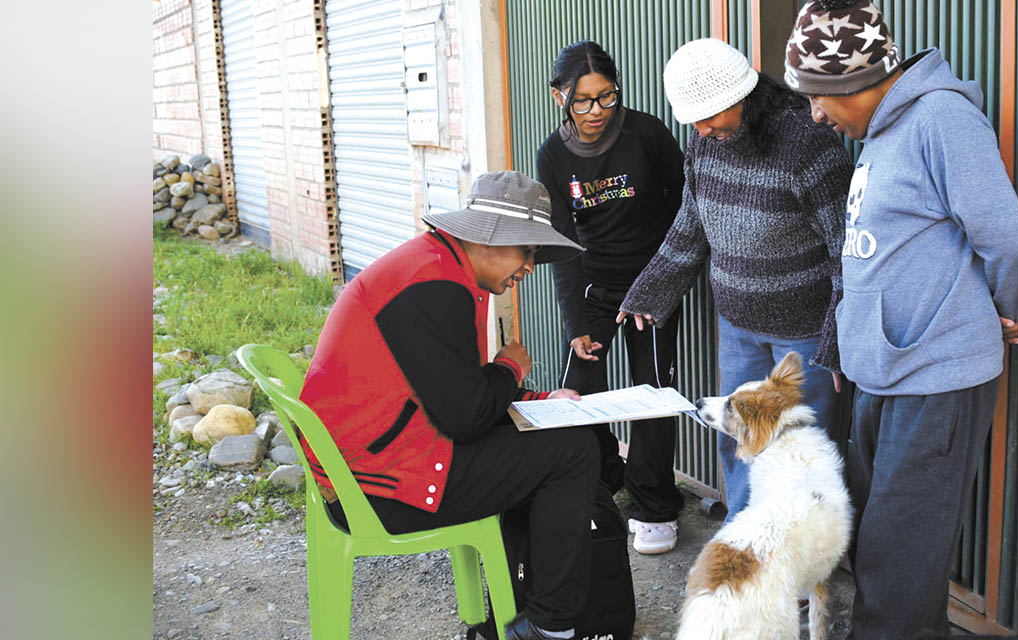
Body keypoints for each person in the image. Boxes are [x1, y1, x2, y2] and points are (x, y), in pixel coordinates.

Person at [783, 1, 1018, 638]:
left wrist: (1015, 313)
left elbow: (1007, 237)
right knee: (881, 548)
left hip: (935, 378)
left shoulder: (942, 120)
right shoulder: (878, 132)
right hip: (884, 372)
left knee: (900, 561)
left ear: (852, 82)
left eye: (818, 96)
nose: (814, 113)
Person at [298, 171, 596, 640]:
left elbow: (458, 390)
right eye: (528, 251)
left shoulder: (438, 267)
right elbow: (466, 416)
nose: (530, 268)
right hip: (375, 489)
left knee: (553, 443)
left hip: (379, 457)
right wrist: (511, 369)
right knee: (574, 452)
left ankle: (519, 617)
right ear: (492, 239)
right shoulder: (434, 284)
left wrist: (540, 400)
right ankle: (548, 627)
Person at [617, 37, 853, 521]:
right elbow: (690, 225)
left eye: (709, 117)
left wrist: (835, 338)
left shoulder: (808, 143)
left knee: (805, 454)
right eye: (694, 121)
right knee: (739, 443)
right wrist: (650, 291)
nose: (702, 130)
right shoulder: (704, 145)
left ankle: (800, 567)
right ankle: (742, 540)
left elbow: (846, 250)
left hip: (805, 338)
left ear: (742, 97)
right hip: (739, 329)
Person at [535, 41, 688, 555]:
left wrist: (663, 281)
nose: (597, 111)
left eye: (607, 97)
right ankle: (599, 484)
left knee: (652, 394)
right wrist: (575, 321)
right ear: (559, 97)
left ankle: (654, 506)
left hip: (653, 284)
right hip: (594, 288)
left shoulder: (647, 133)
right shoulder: (553, 155)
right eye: (583, 101)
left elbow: (684, 207)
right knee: (578, 392)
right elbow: (559, 238)